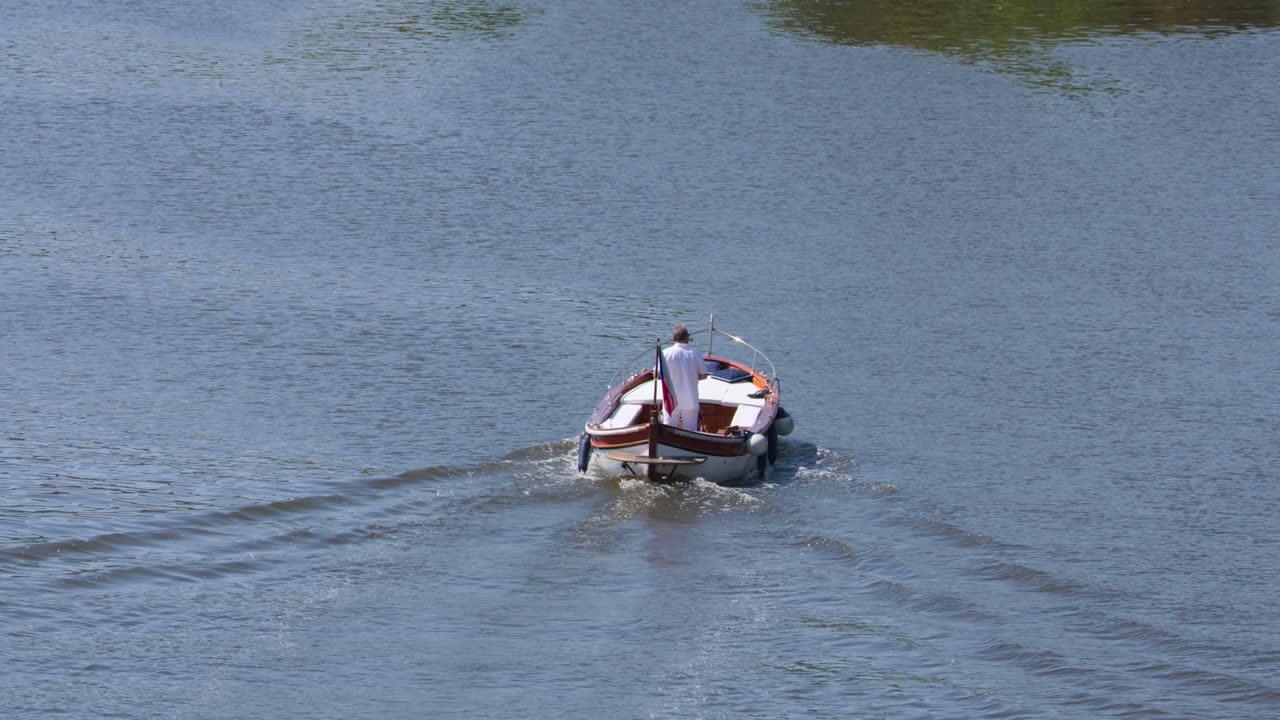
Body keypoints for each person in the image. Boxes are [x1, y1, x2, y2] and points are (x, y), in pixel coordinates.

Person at [661, 323, 707, 430]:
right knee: (690, 431)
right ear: (687, 337)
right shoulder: (696, 354)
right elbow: (704, 375)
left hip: (671, 399)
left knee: (668, 430)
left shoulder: (665, 353)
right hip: (690, 399)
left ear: (673, 338)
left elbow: (656, 375)